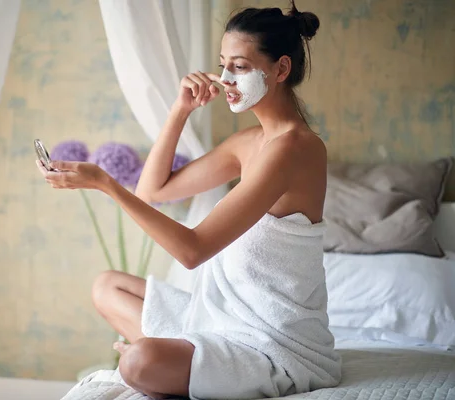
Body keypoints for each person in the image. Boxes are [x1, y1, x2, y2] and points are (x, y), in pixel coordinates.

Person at [37, 2, 342, 399]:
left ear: (280, 70)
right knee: (106, 286)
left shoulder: (295, 149)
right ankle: (178, 365)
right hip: (221, 318)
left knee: (136, 363)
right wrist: (180, 110)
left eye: (240, 66)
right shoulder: (249, 143)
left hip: (270, 343)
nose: (225, 79)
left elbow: (193, 250)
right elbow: (153, 191)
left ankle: (166, 366)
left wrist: (106, 184)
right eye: (223, 65)